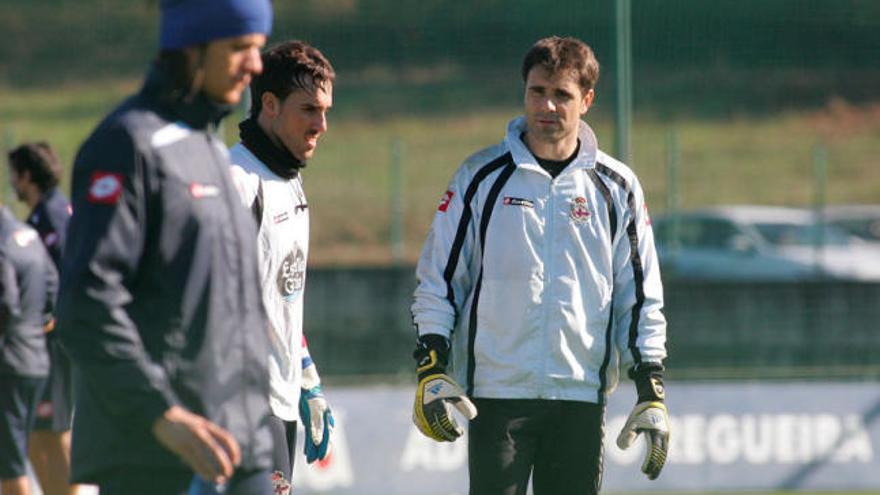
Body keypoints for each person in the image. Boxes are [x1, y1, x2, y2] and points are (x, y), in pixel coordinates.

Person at [410, 36, 670, 495]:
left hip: (580, 397)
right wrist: (432, 364)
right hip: (495, 397)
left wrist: (651, 384)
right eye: (537, 91)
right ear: (524, 92)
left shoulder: (618, 187)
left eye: (562, 94)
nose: (547, 105)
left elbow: (641, 292)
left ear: (586, 100)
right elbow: (440, 280)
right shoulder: (479, 177)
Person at [55, 1, 276, 494]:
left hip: (241, 449)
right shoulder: (125, 145)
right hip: (156, 459)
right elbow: (85, 306)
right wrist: (162, 414)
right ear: (190, 49)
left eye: (258, 48)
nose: (256, 65)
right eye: (240, 47)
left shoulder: (209, 149)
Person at [227, 40, 335, 495]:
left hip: (280, 400)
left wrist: (306, 379)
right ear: (269, 105)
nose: (321, 125)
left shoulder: (290, 181)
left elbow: (280, 296)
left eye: (326, 110)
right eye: (309, 109)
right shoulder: (237, 183)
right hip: (240, 405)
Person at [7, 141, 79, 495]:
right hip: (47, 346)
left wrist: (52, 317)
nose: (12, 185)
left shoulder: (51, 215)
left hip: (54, 345)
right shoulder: (46, 212)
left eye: (14, 176)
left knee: (55, 435)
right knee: (39, 436)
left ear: (25, 176)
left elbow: (68, 273)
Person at [0, 202, 58, 495]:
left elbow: (5, 304)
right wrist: (39, 326)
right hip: (36, 358)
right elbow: (52, 288)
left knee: (8, 465)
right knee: (22, 455)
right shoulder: (29, 235)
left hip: (7, 363)